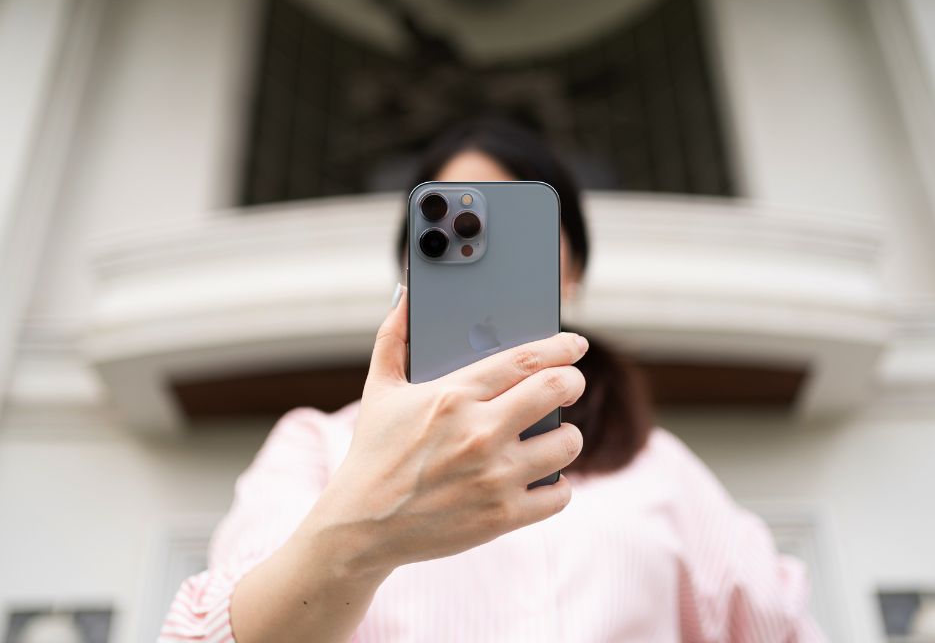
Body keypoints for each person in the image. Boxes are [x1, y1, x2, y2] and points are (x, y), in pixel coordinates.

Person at [159, 119, 827, 642]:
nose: (485, 248)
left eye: (518, 228)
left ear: (571, 274)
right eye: (451, 228)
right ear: (410, 273)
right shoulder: (316, 448)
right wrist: (363, 531)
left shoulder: (660, 468)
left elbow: (780, 628)